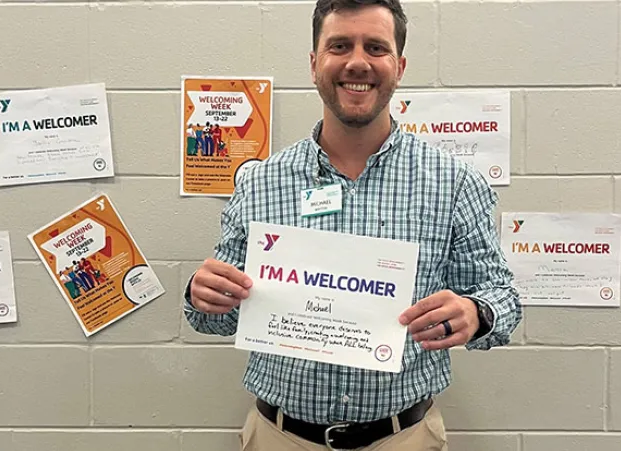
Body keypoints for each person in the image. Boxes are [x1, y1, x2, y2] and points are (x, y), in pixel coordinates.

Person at [183, 0, 522, 449]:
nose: (357, 62)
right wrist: (200, 295)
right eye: (339, 45)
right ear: (314, 63)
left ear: (399, 66)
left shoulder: (455, 182)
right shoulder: (260, 181)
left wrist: (477, 313)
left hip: (404, 438)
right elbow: (214, 321)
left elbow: (504, 298)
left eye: (376, 47)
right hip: (280, 437)